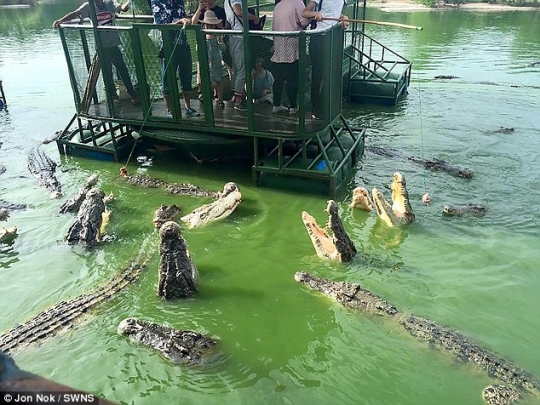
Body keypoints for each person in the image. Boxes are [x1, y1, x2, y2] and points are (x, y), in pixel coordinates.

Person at [52, 0, 140, 106]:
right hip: (101, 46)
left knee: (123, 69)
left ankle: (133, 94)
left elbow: (123, 8)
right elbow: (76, 13)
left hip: (113, 44)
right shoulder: (89, 6)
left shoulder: (110, 3)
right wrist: (60, 21)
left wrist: (129, 2)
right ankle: (113, 97)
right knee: (107, 73)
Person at [151, 0, 200, 117]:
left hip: (183, 44)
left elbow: (184, 18)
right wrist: (180, 21)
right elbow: (161, 25)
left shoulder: (179, 2)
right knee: (167, 78)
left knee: (186, 76)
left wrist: (187, 19)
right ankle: (170, 110)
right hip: (167, 46)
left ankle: (188, 107)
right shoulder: (156, 2)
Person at [302, 0, 348, 119]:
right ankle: (315, 109)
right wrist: (315, 14)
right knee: (318, 74)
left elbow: (336, 14)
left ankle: (326, 106)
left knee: (332, 73)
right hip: (319, 38)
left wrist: (343, 17)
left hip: (333, 37)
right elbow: (305, 13)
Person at [270, 0, 309, 114]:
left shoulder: (278, 5)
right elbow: (304, 22)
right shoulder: (298, 3)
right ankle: (293, 106)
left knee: (279, 78)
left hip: (278, 44)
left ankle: (276, 104)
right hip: (292, 45)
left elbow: (273, 26)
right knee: (292, 77)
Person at [224, 0, 260, 111]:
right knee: (242, 70)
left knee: (236, 68)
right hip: (239, 37)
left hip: (233, 37)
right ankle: (238, 100)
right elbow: (238, 12)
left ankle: (236, 96)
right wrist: (254, 18)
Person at [191, 0, 226, 101]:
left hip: (216, 54)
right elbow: (193, 23)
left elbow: (222, 26)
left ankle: (219, 97)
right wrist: (200, 9)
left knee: (217, 77)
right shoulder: (200, 11)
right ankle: (202, 93)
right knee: (201, 75)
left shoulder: (220, 10)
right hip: (204, 54)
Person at [197, 10, 225, 108]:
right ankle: (204, 95)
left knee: (218, 80)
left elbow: (223, 48)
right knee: (203, 79)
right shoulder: (202, 36)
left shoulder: (217, 35)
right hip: (205, 60)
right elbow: (198, 48)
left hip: (216, 60)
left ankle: (220, 98)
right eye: (208, 25)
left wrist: (220, 41)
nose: (210, 27)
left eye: (212, 25)